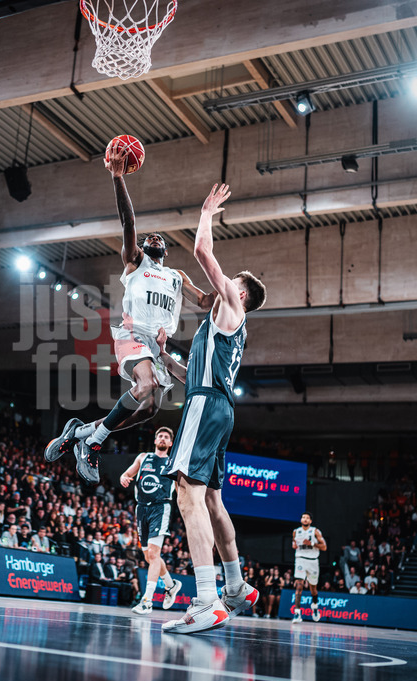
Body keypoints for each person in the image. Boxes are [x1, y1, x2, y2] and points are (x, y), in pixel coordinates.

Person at [44, 141, 214, 484]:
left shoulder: (177, 277)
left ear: (164, 250)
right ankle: (93, 444)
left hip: (158, 347)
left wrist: (231, 292)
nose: (152, 237)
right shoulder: (136, 263)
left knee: (149, 409)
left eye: (159, 238)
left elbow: (206, 302)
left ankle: (79, 433)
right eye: (147, 237)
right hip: (133, 334)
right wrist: (118, 179)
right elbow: (128, 221)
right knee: (146, 382)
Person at [155, 182, 268, 634]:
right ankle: (236, 586)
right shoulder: (221, 328)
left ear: (240, 295)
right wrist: (165, 357)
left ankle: (206, 601)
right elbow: (192, 377)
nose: (223, 287)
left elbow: (203, 251)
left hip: (206, 408)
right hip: (213, 404)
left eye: (230, 284)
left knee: (186, 493)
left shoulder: (232, 311)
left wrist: (206, 211)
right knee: (215, 500)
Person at [119, 426, 182, 615]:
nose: (162, 438)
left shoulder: (173, 462)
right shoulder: (142, 457)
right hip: (141, 509)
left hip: (160, 508)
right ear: (155, 441)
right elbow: (127, 474)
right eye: (160, 436)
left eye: (166, 437)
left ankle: (147, 601)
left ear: (170, 443)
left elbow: (180, 490)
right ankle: (171, 586)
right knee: (149, 557)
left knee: (154, 555)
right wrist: (123, 477)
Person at [290, 512, 327, 624]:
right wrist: (294, 546)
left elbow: (324, 547)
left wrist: (312, 544)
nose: (305, 519)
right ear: (301, 519)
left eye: (307, 518)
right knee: (299, 586)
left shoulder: (315, 531)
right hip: (300, 559)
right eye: (303, 517)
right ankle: (297, 613)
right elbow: (294, 544)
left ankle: (315, 606)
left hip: (313, 562)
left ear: (310, 521)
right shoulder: (296, 531)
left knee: (313, 589)